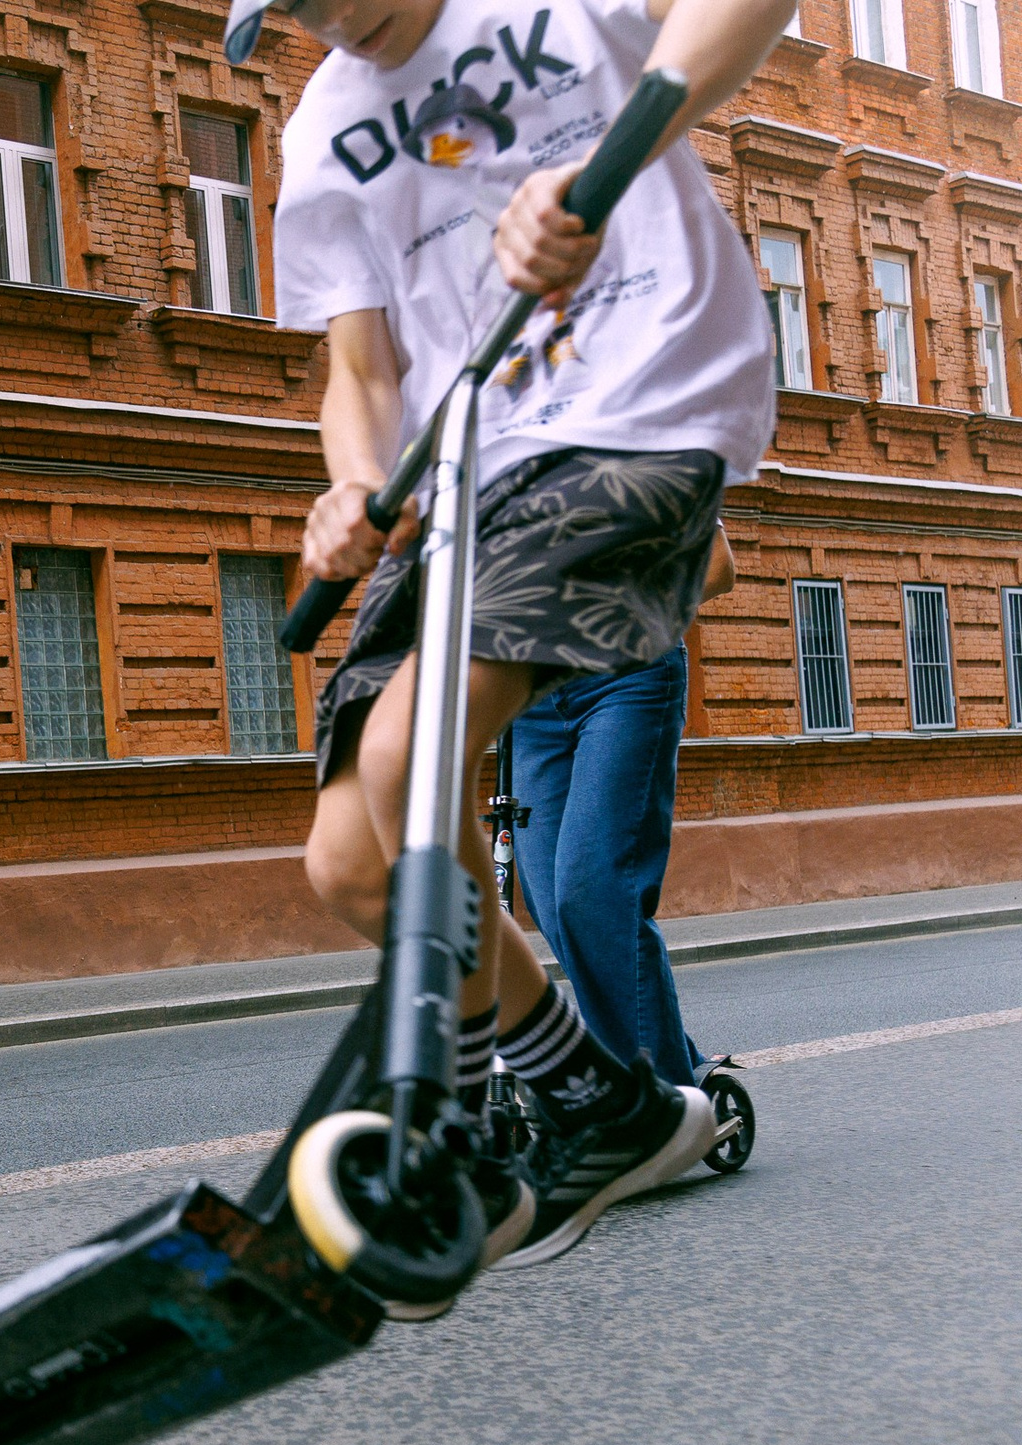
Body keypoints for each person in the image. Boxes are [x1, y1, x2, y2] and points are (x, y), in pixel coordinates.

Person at [224, 0, 791, 1270]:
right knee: (345, 862)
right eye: (292, 8)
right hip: (478, 474)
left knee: (402, 768)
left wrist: (611, 162)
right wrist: (356, 490)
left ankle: (466, 1124)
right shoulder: (325, 129)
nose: (329, 18)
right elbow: (362, 378)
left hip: (638, 400)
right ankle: (601, 1103)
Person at [509, 528, 734, 1097]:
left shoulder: (629, 442)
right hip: (528, 700)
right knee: (552, 901)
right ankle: (675, 1064)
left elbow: (716, 567)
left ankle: (649, 1106)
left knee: (592, 892)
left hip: (624, 678)